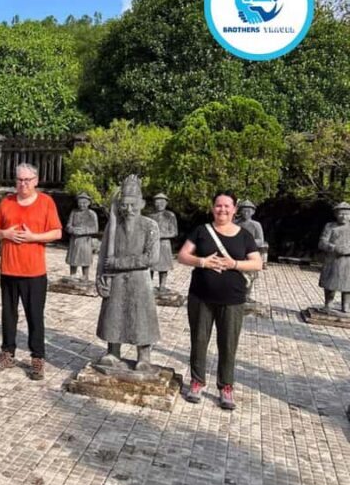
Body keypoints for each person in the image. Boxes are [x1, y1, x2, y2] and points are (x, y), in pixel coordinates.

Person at [177, 191, 263, 410]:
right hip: (200, 297)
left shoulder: (244, 236)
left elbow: (257, 263)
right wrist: (202, 261)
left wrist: (233, 264)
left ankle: (226, 387)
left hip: (232, 300)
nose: (222, 210)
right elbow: (182, 256)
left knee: (228, 345)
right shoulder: (201, 231)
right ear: (212, 208)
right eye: (218, 206)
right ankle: (197, 382)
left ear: (234, 210)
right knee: (199, 340)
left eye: (227, 206)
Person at [0, 163, 62, 380]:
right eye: (20, 180)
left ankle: (37, 357)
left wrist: (34, 238)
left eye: (28, 180)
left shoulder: (46, 202)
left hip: (34, 272)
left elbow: (57, 232)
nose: (23, 184)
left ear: (36, 181)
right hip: (9, 269)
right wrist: (4, 233)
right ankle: (7, 352)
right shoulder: (6, 202)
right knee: (8, 314)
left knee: (35, 316)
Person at [95, 175, 160, 372]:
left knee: (141, 316)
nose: (128, 210)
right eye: (124, 205)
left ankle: (144, 356)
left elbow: (151, 258)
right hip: (116, 280)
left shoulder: (150, 226)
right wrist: (100, 278)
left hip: (140, 281)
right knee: (114, 314)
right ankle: (113, 352)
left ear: (141, 203)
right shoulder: (113, 226)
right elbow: (104, 254)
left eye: (133, 205)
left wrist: (119, 263)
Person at [317, 201, 350, 313]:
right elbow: (322, 243)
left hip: (348, 261)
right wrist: (333, 248)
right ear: (336, 215)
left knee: (348, 284)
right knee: (330, 283)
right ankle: (328, 304)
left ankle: (346, 305)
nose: (343, 216)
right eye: (340, 214)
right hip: (332, 259)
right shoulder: (330, 226)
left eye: (346, 214)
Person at [148, 193, 178, 291]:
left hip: (164, 245)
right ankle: (148, 285)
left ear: (166, 203)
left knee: (164, 267)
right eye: (157, 201)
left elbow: (174, 232)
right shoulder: (150, 216)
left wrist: (159, 235)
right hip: (152, 245)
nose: (159, 204)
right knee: (150, 266)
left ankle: (162, 286)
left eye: (162, 201)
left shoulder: (170, 215)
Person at [65, 192, 98, 282]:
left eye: (84, 203)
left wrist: (84, 231)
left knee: (85, 258)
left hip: (85, 240)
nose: (82, 205)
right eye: (80, 203)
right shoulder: (74, 212)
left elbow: (95, 228)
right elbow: (68, 225)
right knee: (73, 258)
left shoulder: (92, 214)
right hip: (74, 240)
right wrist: (72, 229)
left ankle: (85, 275)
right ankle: (72, 274)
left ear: (88, 203)